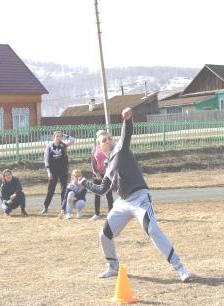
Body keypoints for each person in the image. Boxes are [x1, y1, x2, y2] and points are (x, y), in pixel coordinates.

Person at [79, 107, 191, 282]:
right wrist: (84, 183)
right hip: (123, 203)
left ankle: (180, 268)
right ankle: (113, 267)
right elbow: (102, 190)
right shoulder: (107, 167)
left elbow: (127, 134)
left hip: (140, 198)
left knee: (152, 230)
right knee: (104, 235)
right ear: (99, 147)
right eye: (103, 140)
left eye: (109, 138)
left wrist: (127, 119)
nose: (107, 140)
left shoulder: (121, 149)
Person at [41, 130, 75, 215]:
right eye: (57, 136)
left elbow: (73, 141)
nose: (59, 138)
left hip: (63, 170)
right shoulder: (49, 146)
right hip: (53, 171)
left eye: (60, 136)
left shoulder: (63, 145)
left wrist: (65, 135)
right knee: (51, 190)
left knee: (64, 190)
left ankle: (63, 208)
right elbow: (46, 160)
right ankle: (45, 207)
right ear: (54, 137)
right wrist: (49, 172)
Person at [89, 129, 114, 221]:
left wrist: (108, 172)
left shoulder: (109, 148)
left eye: (104, 134)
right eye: (101, 134)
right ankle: (96, 214)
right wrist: (96, 174)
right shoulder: (94, 149)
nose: (103, 135)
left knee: (109, 194)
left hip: (107, 174)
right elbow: (93, 163)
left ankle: (111, 213)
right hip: (97, 175)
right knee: (97, 194)